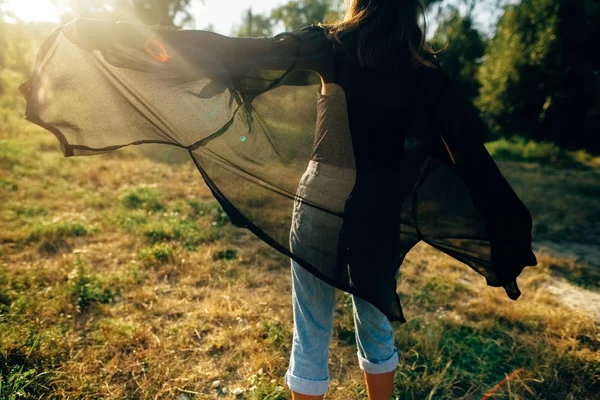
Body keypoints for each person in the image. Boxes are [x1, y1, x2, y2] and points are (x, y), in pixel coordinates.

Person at [23, 1, 537, 399]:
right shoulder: (428, 75)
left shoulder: (333, 44)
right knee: (376, 324)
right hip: (382, 209)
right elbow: (471, 156)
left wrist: (120, 34)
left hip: (323, 199)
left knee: (310, 332)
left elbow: (235, 51)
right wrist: (510, 230)